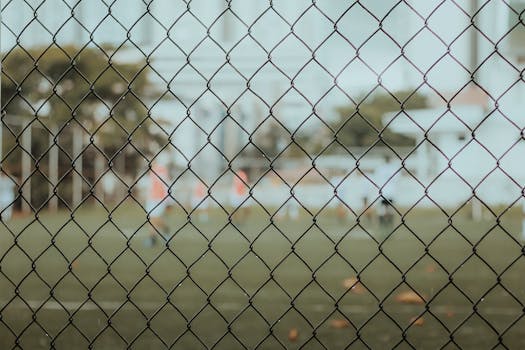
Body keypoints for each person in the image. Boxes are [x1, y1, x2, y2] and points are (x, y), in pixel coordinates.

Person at [144, 159, 170, 246]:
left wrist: (168, 199)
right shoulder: (150, 170)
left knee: (155, 218)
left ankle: (157, 235)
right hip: (151, 198)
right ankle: (154, 237)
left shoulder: (161, 169)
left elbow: (165, 184)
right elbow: (150, 185)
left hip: (160, 198)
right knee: (151, 219)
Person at [374, 155, 398, 227]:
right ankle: (389, 223)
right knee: (389, 208)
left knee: (383, 208)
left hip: (383, 191)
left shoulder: (380, 168)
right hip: (390, 191)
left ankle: (383, 223)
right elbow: (397, 179)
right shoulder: (394, 168)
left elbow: (376, 178)